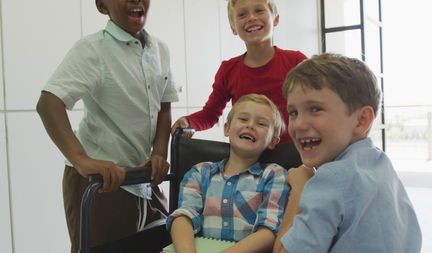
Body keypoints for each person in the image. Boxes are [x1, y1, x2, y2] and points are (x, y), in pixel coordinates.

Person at [36, 0, 178, 252]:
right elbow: (49, 103)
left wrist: (159, 152)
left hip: (144, 179)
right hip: (102, 181)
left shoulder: (162, 49)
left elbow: (164, 107)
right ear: (102, 5)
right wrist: (81, 159)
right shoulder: (93, 49)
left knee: (162, 242)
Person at [273, 53, 422, 253]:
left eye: (315, 109)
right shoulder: (381, 164)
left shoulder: (332, 178)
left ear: (361, 120)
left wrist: (300, 188)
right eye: (293, 113)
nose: (298, 124)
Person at [166, 94, 290, 253]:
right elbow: (184, 217)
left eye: (261, 123)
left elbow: (269, 230)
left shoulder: (275, 175)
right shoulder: (200, 172)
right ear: (227, 128)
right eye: (243, 119)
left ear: (273, 141)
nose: (250, 125)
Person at [171, 0, 307, 143]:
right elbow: (210, 114)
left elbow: (313, 105)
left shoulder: (296, 62)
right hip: (247, 154)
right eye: (242, 14)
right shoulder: (228, 70)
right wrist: (188, 121)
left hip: (293, 154)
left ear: (276, 19)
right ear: (233, 28)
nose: (252, 18)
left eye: (259, 11)